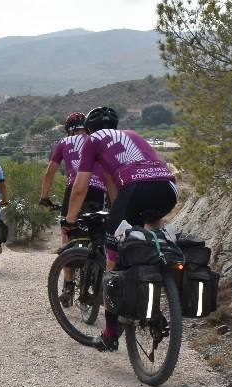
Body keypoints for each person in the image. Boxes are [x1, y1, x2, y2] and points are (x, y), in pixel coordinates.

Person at [65, 106, 177, 352]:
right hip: (168, 189)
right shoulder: (133, 135)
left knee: (112, 261)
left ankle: (110, 334)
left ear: (89, 129)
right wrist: (120, 214)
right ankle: (155, 289)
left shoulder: (91, 140)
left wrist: (70, 220)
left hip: (136, 189)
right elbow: (111, 180)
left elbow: (80, 187)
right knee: (146, 240)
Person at [40, 111, 109, 304]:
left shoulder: (64, 143)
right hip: (100, 190)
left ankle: (68, 286)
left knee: (67, 232)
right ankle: (100, 282)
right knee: (99, 234)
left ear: (69, 130)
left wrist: (45, 197)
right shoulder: (97, 140)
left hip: (75, 188)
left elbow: (49, 173)